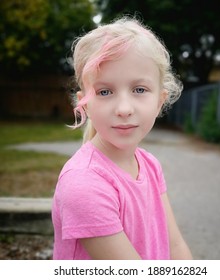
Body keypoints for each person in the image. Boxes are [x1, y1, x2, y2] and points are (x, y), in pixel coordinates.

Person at [52, 16, 192, 260]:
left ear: (160, 101)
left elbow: (176, 247)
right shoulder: (84, 184)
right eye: (104, 91)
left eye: (139, 89)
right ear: (84, 103)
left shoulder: (149, 165)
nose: (124, 108)